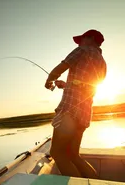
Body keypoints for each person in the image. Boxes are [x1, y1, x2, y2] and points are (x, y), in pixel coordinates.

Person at [44, 29, 107, 178]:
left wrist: (49, 80)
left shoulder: (82, 50)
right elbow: (87, 85)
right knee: (73, 155)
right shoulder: (102, 63)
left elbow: (61, 67)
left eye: (82, 40)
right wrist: (65, 85)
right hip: (84, 114)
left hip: (69, 111)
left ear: (90, 38)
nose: (79, 43)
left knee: (57, 153)